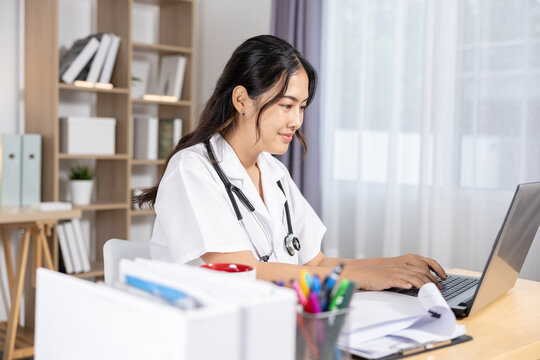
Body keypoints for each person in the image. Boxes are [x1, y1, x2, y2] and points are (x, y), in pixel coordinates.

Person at [135, 35, 446, 290]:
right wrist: (364, 278)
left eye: (302, 107)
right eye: (286, 105)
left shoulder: (272, 171)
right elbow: (243, 271)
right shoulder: (192, 169)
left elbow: (316, 263)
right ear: (242, 100)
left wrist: (393, 265)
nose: (297, 121)